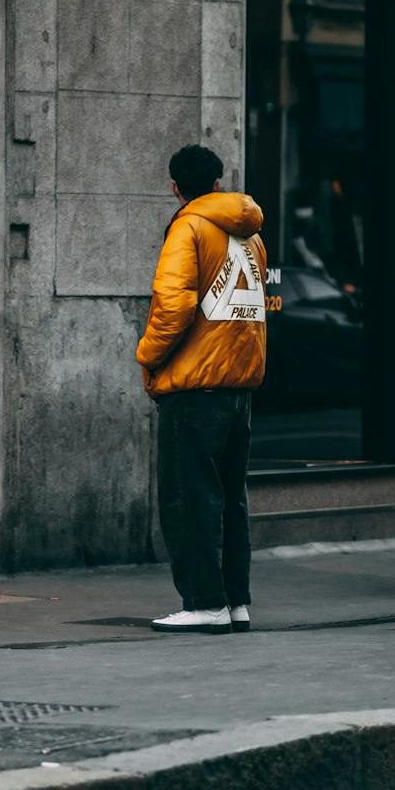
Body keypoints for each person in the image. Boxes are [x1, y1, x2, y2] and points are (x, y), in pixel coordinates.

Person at [136, 145, 267, 634]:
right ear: (218, 183)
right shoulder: (249, 235)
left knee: (189, 499)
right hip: (239, 387)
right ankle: (235, 602)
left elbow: (172, 307)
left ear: (175, 187)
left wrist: (147, 356)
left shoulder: (187, 227)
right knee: (230, 498)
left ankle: (203, 602)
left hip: (193, 387)